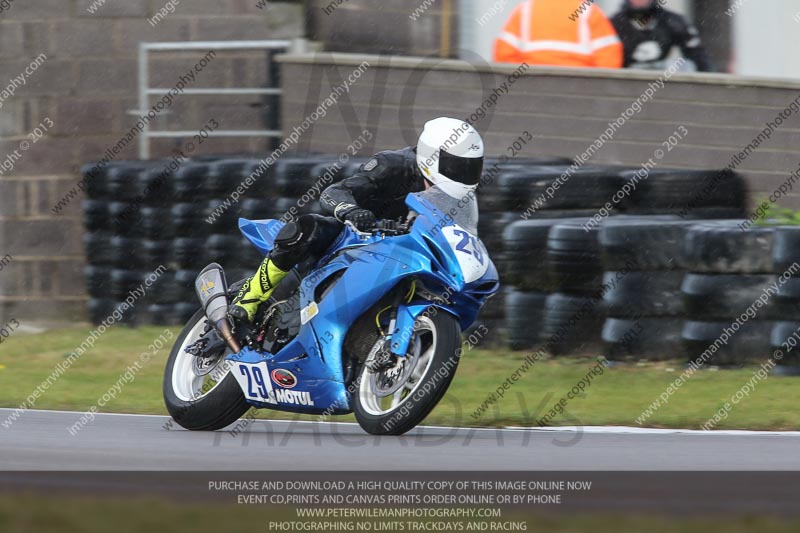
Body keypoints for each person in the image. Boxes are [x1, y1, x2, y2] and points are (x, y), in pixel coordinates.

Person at [228, 117, 485, 324]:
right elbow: (334, 193)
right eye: (457, 166)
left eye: (470, 167)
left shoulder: (459, 199)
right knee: (310, 228)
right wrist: (352, 213)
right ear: (432, 156)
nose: (463, 175)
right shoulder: (392, 165)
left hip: (401, 255)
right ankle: (249, 298)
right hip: (353, 237)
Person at [493, 0, 623, 68]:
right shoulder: (589, 12)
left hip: (531, 93)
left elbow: (504, 55)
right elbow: (609, 61)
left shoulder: (525, 10)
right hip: (580, 95)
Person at [611, 0, 714, 72]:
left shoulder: (672, 21)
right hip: (624, 84)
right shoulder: (613, 24)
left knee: (683, 66)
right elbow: (605, 63)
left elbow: (699, 57)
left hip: (662, 85)